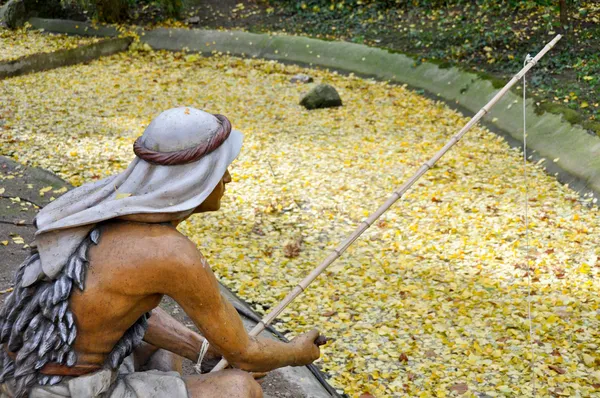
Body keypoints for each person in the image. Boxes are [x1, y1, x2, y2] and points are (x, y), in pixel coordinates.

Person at [0, 107, 322, 398]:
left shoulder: (103, 209)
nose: (228, 178)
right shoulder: (171, 253)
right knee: (240, 388)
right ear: (194, 176)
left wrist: (201, 350)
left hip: (21, 372)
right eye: (220, 168)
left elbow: (122, 310)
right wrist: (297, 352)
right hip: (60, 391)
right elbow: (244, 353)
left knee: (164, 346)